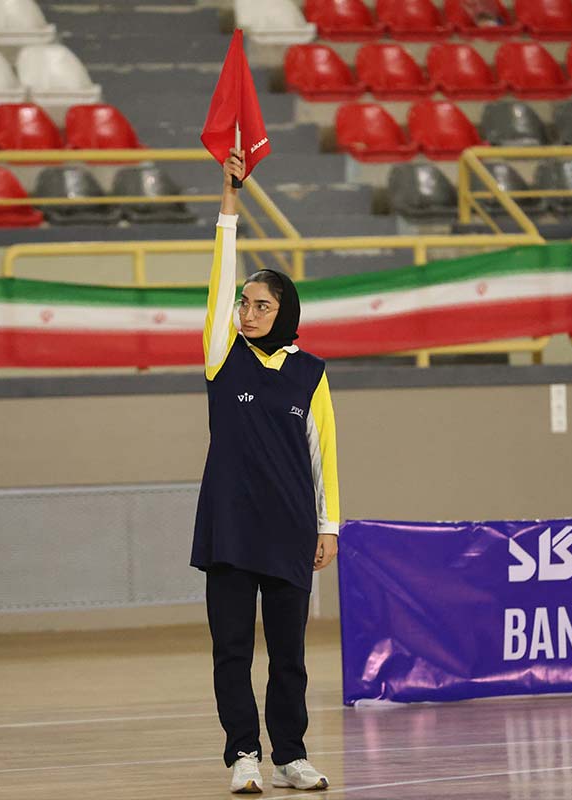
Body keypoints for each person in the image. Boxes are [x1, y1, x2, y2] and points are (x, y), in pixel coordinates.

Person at [191, 149, 340, 793]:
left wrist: (329, 525)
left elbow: (323, 453)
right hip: (229, 529)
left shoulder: (310, 373)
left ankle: (290, 755)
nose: (247, 313)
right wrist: (230, 203)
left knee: (289, 657)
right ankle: (242, 755)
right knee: (231, 651)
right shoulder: (222, 355)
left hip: (289, 531)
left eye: (260, 306)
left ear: (285, 313)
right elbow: (221, 278)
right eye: (244, 304)